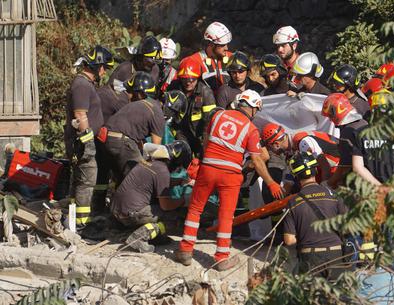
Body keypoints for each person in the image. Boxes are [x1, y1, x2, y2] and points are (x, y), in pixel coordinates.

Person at [175, 90, 284, 271]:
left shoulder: (218, 116)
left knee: (195, 209)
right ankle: (221, 258)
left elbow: (206, 141)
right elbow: (258, 160)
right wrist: (271, 182)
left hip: (209, 167)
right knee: (226, 215)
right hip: (231, 175)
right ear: (253, 108)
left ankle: (185, 250)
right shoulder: (251, 129)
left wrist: (206, 160)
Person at [64, 45, 114, 228]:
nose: (105, 71)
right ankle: (82, 224)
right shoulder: (82, 85)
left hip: (79, 141)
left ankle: (72, 219)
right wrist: (88, 142)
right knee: (86, 181)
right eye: (105, 67)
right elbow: (80, 115)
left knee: (79, 180)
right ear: (99, 66)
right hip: (82, 142)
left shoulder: (83, 84)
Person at [111, 141, 192, 253]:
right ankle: (138, 238)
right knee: (172, 216)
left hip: (118, 209)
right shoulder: (162, 171)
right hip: (131, 213)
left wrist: (180, 182)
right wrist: (184, 200)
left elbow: (157, 182)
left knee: (158, 210)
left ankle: (151, 236)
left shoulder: (150, 162)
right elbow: (166, 206)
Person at [283, 151, 347, 279]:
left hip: (310, 258)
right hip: (336, 255)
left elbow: (289, 240)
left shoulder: (293, 202)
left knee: (312, 297)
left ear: (295, 175)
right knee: (337, 296)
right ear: (315, 170)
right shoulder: (333, 195)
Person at [102, 72, 165, 184]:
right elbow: (155, 150)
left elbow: (138, 138)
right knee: (138, 178)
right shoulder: (157, 112)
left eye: (132, 92)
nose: (129, 95)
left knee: (122, 180)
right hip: (121, 141)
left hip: (107, 140)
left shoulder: (139, 106)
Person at [167, 57, 217, 157]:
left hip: (198, 136)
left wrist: (204, 143)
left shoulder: (205, 92)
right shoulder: (173, 87)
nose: (188, 82)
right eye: (184, 79)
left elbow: (210, 120)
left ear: (198, 78)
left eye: (191, 79)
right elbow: (166, 111)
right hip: (178, 132)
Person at [92, 81, 130, 215]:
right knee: (115, 173)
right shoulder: (122, 101)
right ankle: (109, 207)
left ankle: (98, 207)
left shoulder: (106, 93)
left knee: (102, 174)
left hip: (101, 138)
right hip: (108, 140)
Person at [261, 123, 340, 183]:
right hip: (332, 171)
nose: (270, 151)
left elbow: (324, 165)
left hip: (339, 169)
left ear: (276, 144)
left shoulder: (302, 141)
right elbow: (289, 181)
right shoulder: (290, 153)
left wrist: (325, 190)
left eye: (269, 148)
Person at [321, 93, 368, 189]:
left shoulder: (347, 132)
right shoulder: (364, 123)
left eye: (330, 115)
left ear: (337, 111)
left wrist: (329, 183)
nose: (330, 120)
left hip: (357, 184)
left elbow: (344, 167)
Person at [187, 21, 233, 92]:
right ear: (211, 44)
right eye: (222, 45)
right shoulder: (194, 61)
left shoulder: (232, 57)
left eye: (227, 44)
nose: (226, 48)